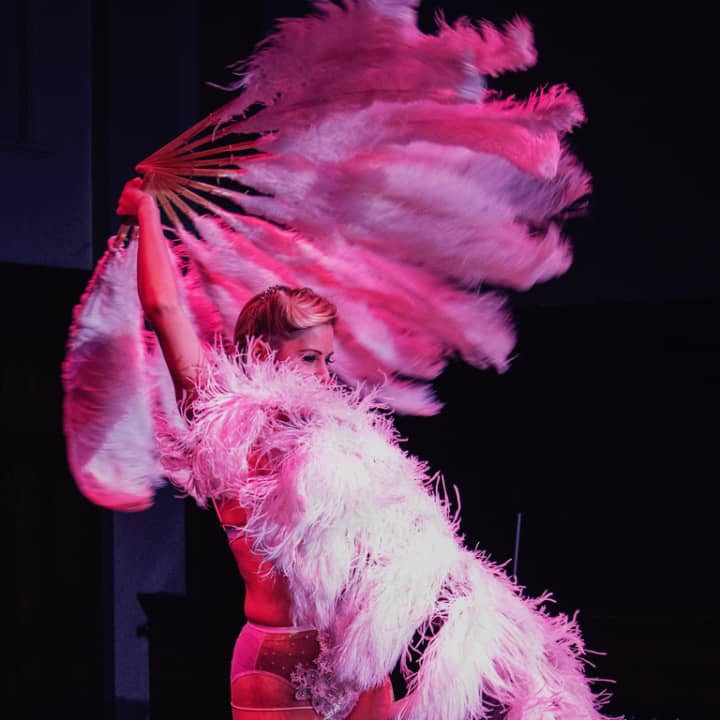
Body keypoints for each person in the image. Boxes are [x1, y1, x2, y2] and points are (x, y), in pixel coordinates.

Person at [117, 177, 399, 719]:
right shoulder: (225, 420)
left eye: (328, 360)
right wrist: (148, 212)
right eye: (310, 358)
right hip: (277, 660)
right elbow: (165, 309)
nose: (325, 376)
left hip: (357, 657)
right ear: (263, 354)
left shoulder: (342, 440)